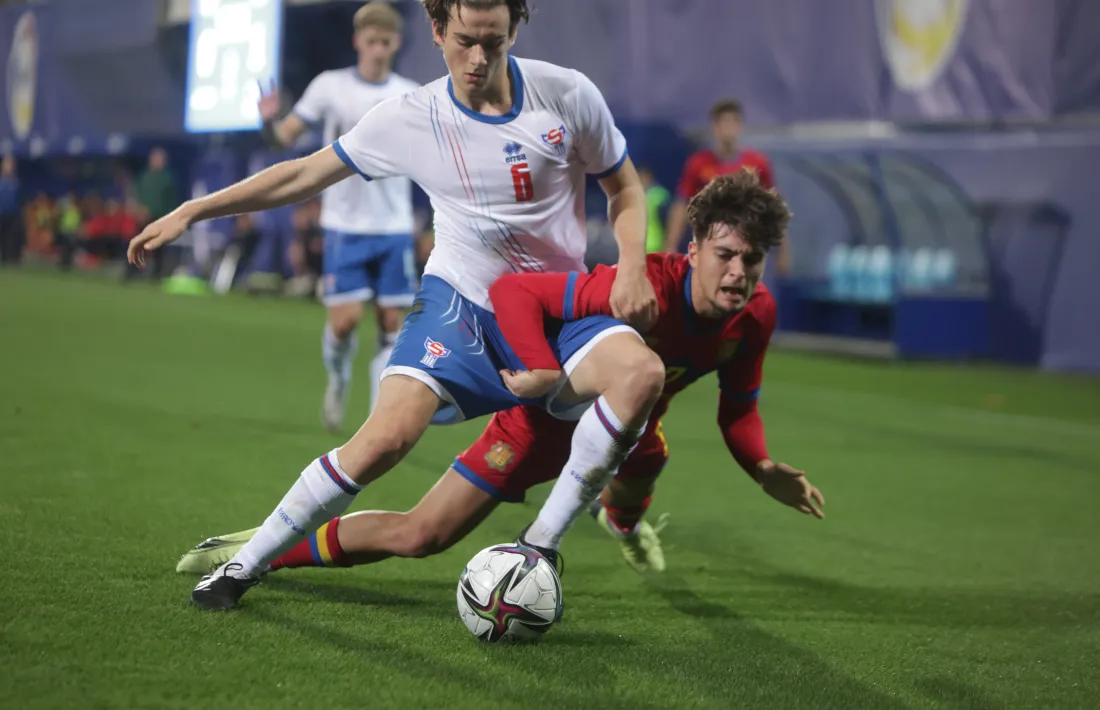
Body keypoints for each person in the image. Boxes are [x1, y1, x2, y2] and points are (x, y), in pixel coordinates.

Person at [129, 0, 661, 611]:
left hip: (557, 312)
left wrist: (632, 264)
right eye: (464, 40)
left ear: (515, 31)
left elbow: (623, 186)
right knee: (385, 440)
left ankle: (539, 546)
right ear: (436, 31)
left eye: (493, 41)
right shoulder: (410, 118)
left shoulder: (567, 95)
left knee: (641, 373)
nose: (478, 58)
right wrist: (193, 210)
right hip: (461, 306)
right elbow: (302, 174)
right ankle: (242, 566)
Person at [175, 172, 824, 583]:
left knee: (645, 456)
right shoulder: (640, 286)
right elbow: (521, 295)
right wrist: (537, 368)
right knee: (422, 535)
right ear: (694, 248)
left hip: (627, 427)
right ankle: (263, 546)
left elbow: (739, 406)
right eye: (725, 255)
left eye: (752, 260)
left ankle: (620, 525)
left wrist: (762, 465)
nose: (738, 273)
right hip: (545, 416)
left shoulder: (755, 315)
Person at [258, 1, 422, 428]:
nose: (378, 50)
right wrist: (270, 122)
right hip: (345, 225)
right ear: (357, 41)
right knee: (345, 322)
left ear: (396, 44)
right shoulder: (330, 86)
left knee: (392, 324)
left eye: (385, 42)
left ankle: (376, 422)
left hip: (393, 225)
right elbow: (284, 137)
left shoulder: (410, 94)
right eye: (372, 42)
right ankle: (338, 378)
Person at [664, 99, 789, 276]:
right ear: (715, 127)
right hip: (713, 246)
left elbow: (774, 208)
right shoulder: (698, 164)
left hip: (750, 245)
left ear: (739, 126)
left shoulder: (757, 163)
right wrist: (671, 245)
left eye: (732, 123)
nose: (728, 129)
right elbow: (682, 206)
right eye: (723, 123)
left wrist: (783, 251)